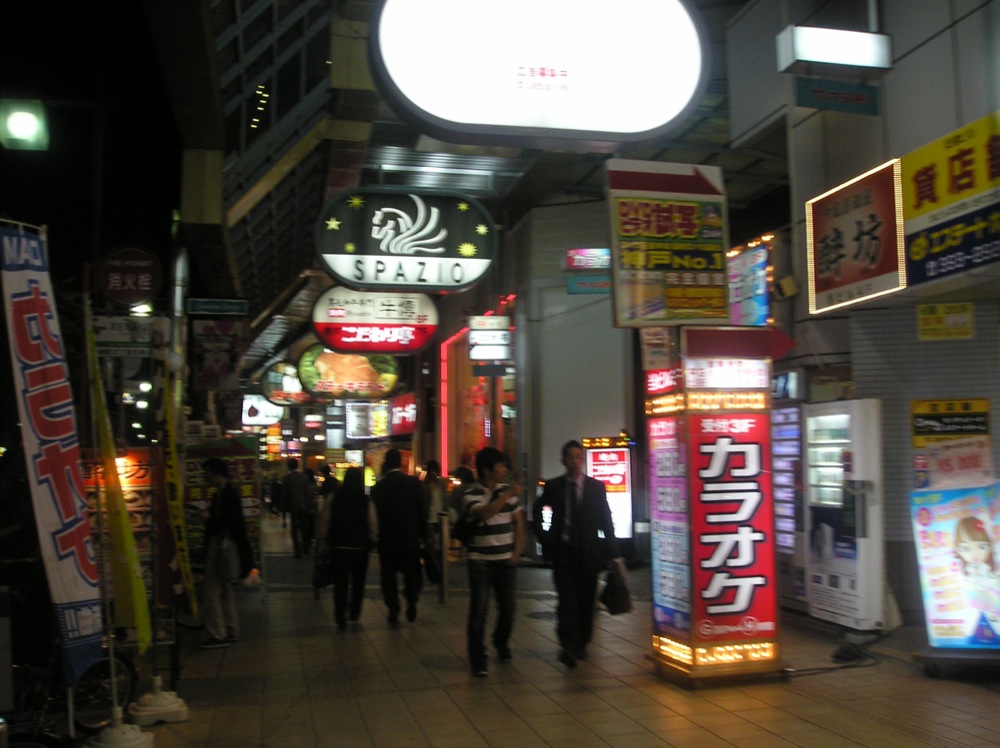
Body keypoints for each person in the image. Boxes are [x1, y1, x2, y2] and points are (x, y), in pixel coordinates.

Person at [533, 440, 618, 669]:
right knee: (566, 601)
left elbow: (605, 519)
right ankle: (567, 645)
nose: (574, 461)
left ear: (583, 459)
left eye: (578, 457)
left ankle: (582, 642)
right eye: (570, 457)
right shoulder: (554, 486)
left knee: (586, 600)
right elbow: (537, 511)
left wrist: (613, 551)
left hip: (589, 553)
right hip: (563, 552)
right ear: (563, 461)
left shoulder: (595, 487)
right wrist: (546, 538)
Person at [462, 447, 524, 677]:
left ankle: (501, 641)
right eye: (500, 466)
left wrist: (516, 552)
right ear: (487, 471)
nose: (504, 470)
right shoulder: (471, 493)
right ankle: (478, 658)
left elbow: (519, 523)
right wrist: (506, 495)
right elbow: (485, 513)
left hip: (505, 560)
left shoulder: (509, 494)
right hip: (480, 560)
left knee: (508, 608)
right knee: (479, 610)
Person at [199, 457, 254, 649]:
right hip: (226, 547)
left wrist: (207, 517)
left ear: (216, 473)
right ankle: (231, 630)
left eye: (207, 473)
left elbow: (223, 523)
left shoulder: (225, 494)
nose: (205, 478)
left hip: (220, 547)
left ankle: (217, 634)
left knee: (211, 591)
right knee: (226, 590)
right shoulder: (227, 492)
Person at [370, 449, 427, 625]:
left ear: (386, 463)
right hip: (410, 539)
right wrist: (424, 535)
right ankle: (411, 601)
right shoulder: (413, 484)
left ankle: (393, 609)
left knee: (388, 577)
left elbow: (375, 516)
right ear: (401, 463)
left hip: (388, 541)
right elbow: (421, 512)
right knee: (411, 574)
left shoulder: (378, 488)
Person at [326, 467, 377, 629]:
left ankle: (340, 615)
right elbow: (373, 523)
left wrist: (322, 540)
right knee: (358, 581)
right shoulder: (365, 500)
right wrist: (373, 538)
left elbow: (325, 520)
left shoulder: (334, 498)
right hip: (360, 547)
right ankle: (354, 611)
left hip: (339, 546)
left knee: (340, 582)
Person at [283, 458, 312, 558]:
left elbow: (285, 495)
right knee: (305, 527)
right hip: (304, 506)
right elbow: (307, 493)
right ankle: (305, 545)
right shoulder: (304, 477)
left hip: (293, 506)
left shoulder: (287, 478)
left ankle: (297, 550)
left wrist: (283, 509)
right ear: (297, 466)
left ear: (288, 466)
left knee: (294, 529)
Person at [422, 460, 448, 551]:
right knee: (431, 543)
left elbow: (444, 500)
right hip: (430, 517)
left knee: (441, 543)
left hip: (439, 516)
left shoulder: (440, 484)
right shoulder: (425, 485)